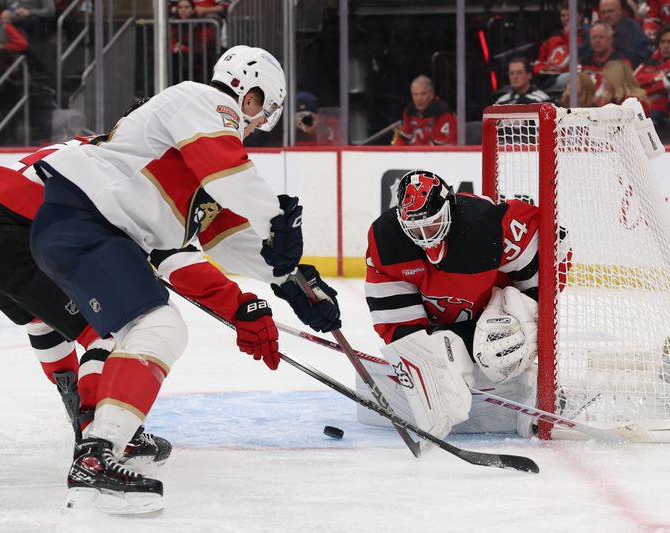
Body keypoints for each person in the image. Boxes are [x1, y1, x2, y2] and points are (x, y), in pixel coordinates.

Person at [28, 45, 341, 514]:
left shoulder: (197, 160)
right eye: (259, 117)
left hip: (90, 231)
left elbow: (229, 238)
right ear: (250, 96)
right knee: (158, 328)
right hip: (84, 223)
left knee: (150, 330)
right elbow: (231, 174)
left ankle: (99, 452)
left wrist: (290, 278)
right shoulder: (199, 100)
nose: (253, 128)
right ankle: (97, 455)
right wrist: (277, 220)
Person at [0, 136, 173, 474]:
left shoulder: (90, 142)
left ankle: (75, 400)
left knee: (43, 315)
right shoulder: (129, 163)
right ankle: (96, 436)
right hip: (9, 232)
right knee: (107, 328)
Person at [362, 170, 553, 441]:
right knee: (432, 354)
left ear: (448, 209)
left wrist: (530, 322)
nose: (425, 236)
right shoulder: (387, 242)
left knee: (502, 342)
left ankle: (533, 390)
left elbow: (542, 243)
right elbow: (396, 318)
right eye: (415, 229)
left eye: (431, 225)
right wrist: (425, 367)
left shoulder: (486, 225)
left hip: (491, 310)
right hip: (438, 324)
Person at [392, 75, 457, 146]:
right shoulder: (410, 110)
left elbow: (438, 148)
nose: (419, 98)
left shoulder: (442, 111)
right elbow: (403, 139)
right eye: (415, 94)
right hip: (416, 154)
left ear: (432, 94)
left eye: (423, 94)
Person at [580, 21, 631, 99]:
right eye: (594, 37)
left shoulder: (621, 62)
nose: (597, 41)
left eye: (601, 37)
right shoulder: (583, 62)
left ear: (610, 39)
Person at [533, 1, 584, 75]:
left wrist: (569, 35)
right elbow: (541, 61)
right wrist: (546, 68)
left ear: (580, 16)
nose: (566, 18)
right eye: (563, 16)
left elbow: (578, 59)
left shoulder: (587, 36)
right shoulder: (554, 36)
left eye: (569, 15)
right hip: (550, 75)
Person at [594, 0, 650, 66]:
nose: (607, 15)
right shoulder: (595, 29)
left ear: (620, 11)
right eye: (603, 12)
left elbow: (639, 58)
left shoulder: (632, 29)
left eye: (610, 11)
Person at [635, 25, 670, 122]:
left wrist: (644, 86)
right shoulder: (649, 61)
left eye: (669, 42)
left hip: (660, 111)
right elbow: (633, 80)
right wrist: (656, 78)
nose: (665, 46)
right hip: (641, 106)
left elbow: (667, 83)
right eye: (662, 42)